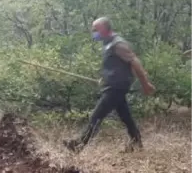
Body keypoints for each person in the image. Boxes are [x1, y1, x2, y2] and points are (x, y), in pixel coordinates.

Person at [64, 17, 156, 153]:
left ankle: (79, 145)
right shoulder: (107, 44)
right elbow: (115, 66)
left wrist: (145, 83)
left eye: (95, 29)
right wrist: (105, 79)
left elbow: (134, 62)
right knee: (126, 117)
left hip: (117, 87)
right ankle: (137, 143)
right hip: (113, 85)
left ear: (104, 29)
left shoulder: (118, 44)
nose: (93, 32)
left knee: (96, 115)